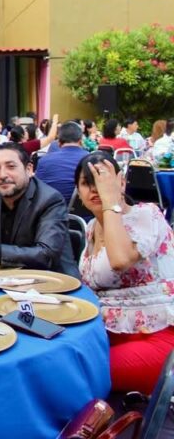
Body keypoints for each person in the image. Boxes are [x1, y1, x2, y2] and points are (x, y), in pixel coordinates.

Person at [75, 151, 174, 393]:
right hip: (108, 332)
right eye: (87, 183)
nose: (96, 189)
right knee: (56, 357)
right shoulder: (91, 228)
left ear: (121, 182)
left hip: (158, 335)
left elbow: (119, 260)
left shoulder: (147, 215)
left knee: (78, 374)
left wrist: (111, 204)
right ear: (78, 191)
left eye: (103, 180)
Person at [0, 143, 78, 276]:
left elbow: (46, 255)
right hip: (5, 279)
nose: (2, 175)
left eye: (11, 167)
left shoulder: (50, 200)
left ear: (29, 169)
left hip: (54, 283)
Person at [34, 121, 88, 204]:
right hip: (83, 213)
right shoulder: (90, 159)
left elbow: (36, 189)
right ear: (81, 141)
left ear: (58, 142)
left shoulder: (43, 161)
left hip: (50, 211)